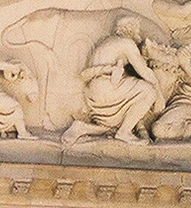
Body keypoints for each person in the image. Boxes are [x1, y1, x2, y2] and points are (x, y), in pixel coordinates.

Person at [62, 17, 164, 145]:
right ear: (129, 30)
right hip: (107, 89)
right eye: (136, 31)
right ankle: (124, 132)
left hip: (93, 94)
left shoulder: (106, 42)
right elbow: (145, 72)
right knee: (148, 92)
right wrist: (159, 95)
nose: (138, 36)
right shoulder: (126, 43)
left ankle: (82, 127)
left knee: (124, 119)